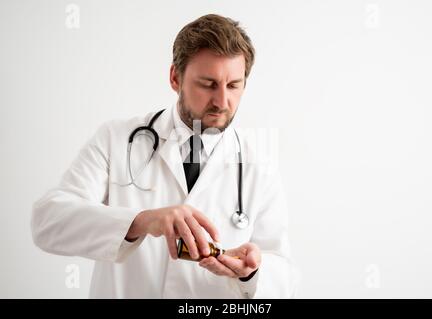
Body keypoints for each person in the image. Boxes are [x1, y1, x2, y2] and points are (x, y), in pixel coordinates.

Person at [31, 14, 298, 298]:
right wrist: (141, 221)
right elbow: (48, 221)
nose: (222, 102)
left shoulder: (259, 165)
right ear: (175, 77)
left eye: (233, 85)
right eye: (208, 84)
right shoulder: (117, 139)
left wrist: (253, 272)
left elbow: (285, 276)